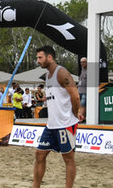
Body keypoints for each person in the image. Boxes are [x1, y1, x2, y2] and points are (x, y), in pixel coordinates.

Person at [33, 46, 80, 188]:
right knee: (39, 155)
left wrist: (74, 113)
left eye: (40, 58)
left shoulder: (62, 72)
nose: (37, 61)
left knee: (68, 158)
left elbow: (75, 96)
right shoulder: (47, 75)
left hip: (65, 124)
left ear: (49, 57)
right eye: (37, 58)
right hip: (52, 124)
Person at [77, 57, 87, 123]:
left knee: (83, 104)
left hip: (85, 91)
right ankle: (82, 117)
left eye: (83, 62)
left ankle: (80, 118)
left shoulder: (90, 70)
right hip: (79, 90)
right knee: (79, 105)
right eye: (81, 62)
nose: (82, 63)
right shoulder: (82, 70)